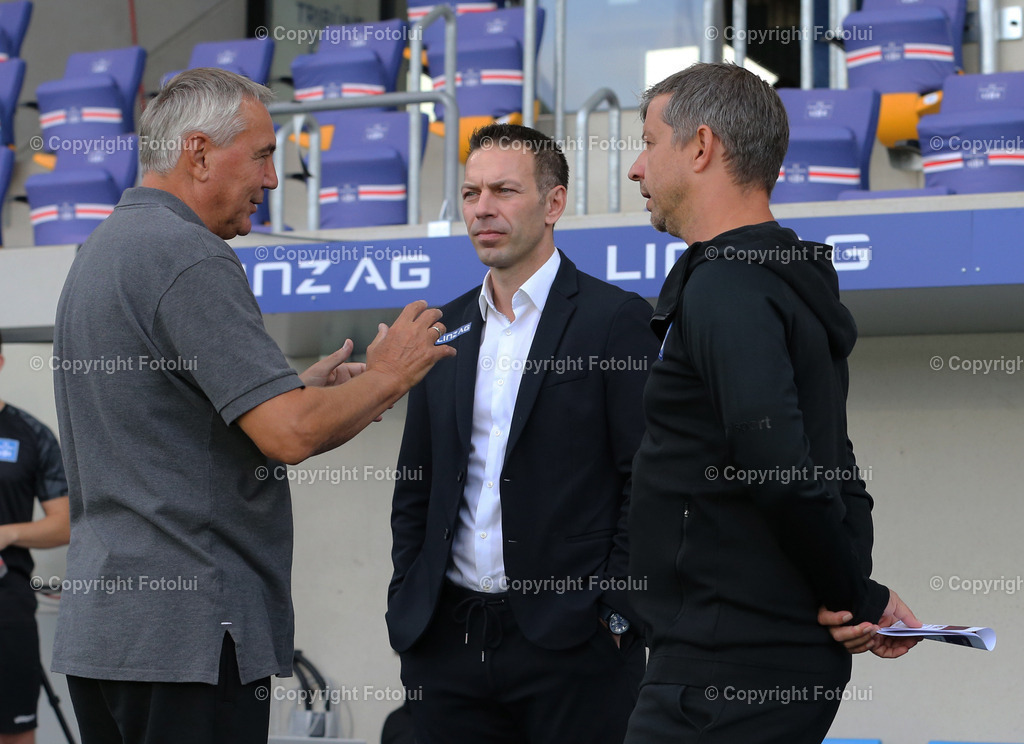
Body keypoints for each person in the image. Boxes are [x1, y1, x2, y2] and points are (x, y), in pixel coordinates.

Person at [51, 68, 454, 744]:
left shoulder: (101, 252)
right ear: (200, 153)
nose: (273, 180)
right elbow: (288, 434)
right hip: (190, 642)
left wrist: (312, 394)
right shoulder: (188, 255)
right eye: (265, 154)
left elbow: (202, 421)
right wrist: (388, 375)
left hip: (109, 639)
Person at [623, 62, 920, 744]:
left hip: (723, 673)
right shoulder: (780, 283)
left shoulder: (726, 287)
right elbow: (832, 463)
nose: (637, 168)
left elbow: (780, 463)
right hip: (739, 661)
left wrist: (855, 595)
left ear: (700, 148)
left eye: (647, 142)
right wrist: (851, 589)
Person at [386, 123, 657, 744]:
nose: (483, 208)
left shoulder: (615, 321)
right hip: (446, 643)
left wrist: (616, 613)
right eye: (472, 192)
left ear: (553, 203)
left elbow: (646, 481)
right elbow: (417, 482)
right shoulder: (441, 326)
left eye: (504, 191)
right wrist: (409, 590)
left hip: (575, 648)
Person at [0, 331, 71, 744]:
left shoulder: (30, 433)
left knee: (14, 730)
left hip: (7, 604)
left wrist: (7, 533)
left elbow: (64, 523)